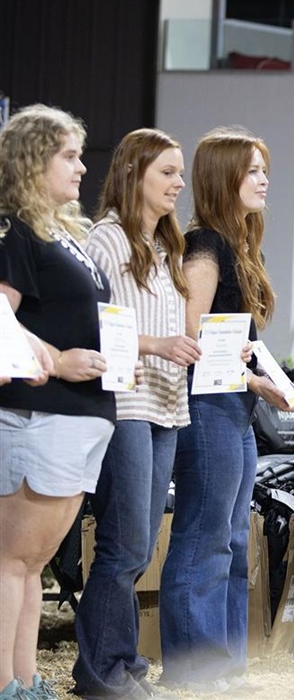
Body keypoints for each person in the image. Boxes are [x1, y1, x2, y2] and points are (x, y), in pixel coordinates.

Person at [159, 126, 292, 692]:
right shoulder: (206, 243)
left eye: (265, 169)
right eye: (253, 170)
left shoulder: (237, 244)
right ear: (224, 176)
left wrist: (261, 381)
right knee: (204, 538)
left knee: (235, 539)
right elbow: (192, 334)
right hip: (207, 408)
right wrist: (252, 379)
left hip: (232, 408)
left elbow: (228, 342)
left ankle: (226, 665)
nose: (264, 179)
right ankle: (195, 668)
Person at [72, 129, 201, 700]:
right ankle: (101, 669)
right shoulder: (104, 240)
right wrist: (158, 346)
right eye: (167, 172)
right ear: (133, 174)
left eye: (179, 173)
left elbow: (173, 329)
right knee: (123, 546)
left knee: (141, 546)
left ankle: (120, 663)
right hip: (124, 402)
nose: (178, 183)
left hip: (166, 405)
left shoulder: (170, 246)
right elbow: (96, 327)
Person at [0, 105, 115, 700]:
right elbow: (0, 318)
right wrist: (57, 357)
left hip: (77, 419)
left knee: (29, 567)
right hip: (38, 414)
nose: (80, 166)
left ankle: (23, 681)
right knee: (11, 563)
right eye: (67, 155)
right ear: (31, 160)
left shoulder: (62, 233)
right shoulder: (15, 230)